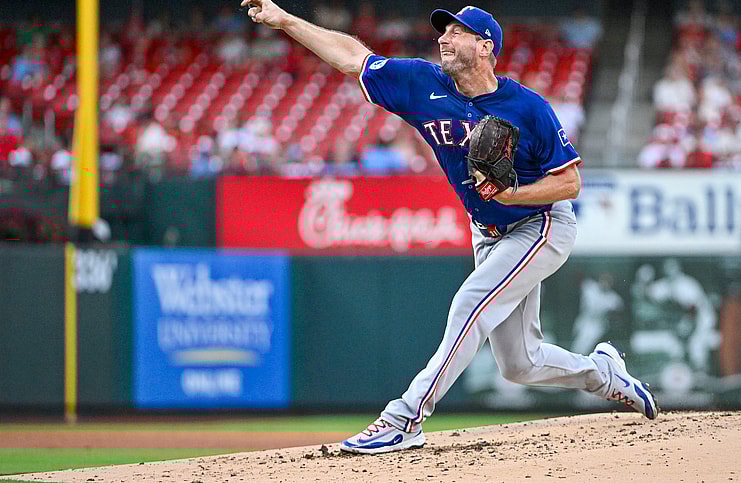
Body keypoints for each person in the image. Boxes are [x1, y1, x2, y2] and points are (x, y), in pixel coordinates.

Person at [242, 0, 659, 454]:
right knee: (519, 364)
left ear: (485, 46)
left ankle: (405, 418)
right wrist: (286, 20)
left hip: (540, 225)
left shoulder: (527, 107)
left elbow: (570, 183)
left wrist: (511, 194)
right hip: (489, 232)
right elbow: (352, 58)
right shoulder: (423, 84)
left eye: (457, 32)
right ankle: (604, 374)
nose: (444, 38)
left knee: (470, 302)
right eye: (443, 31)